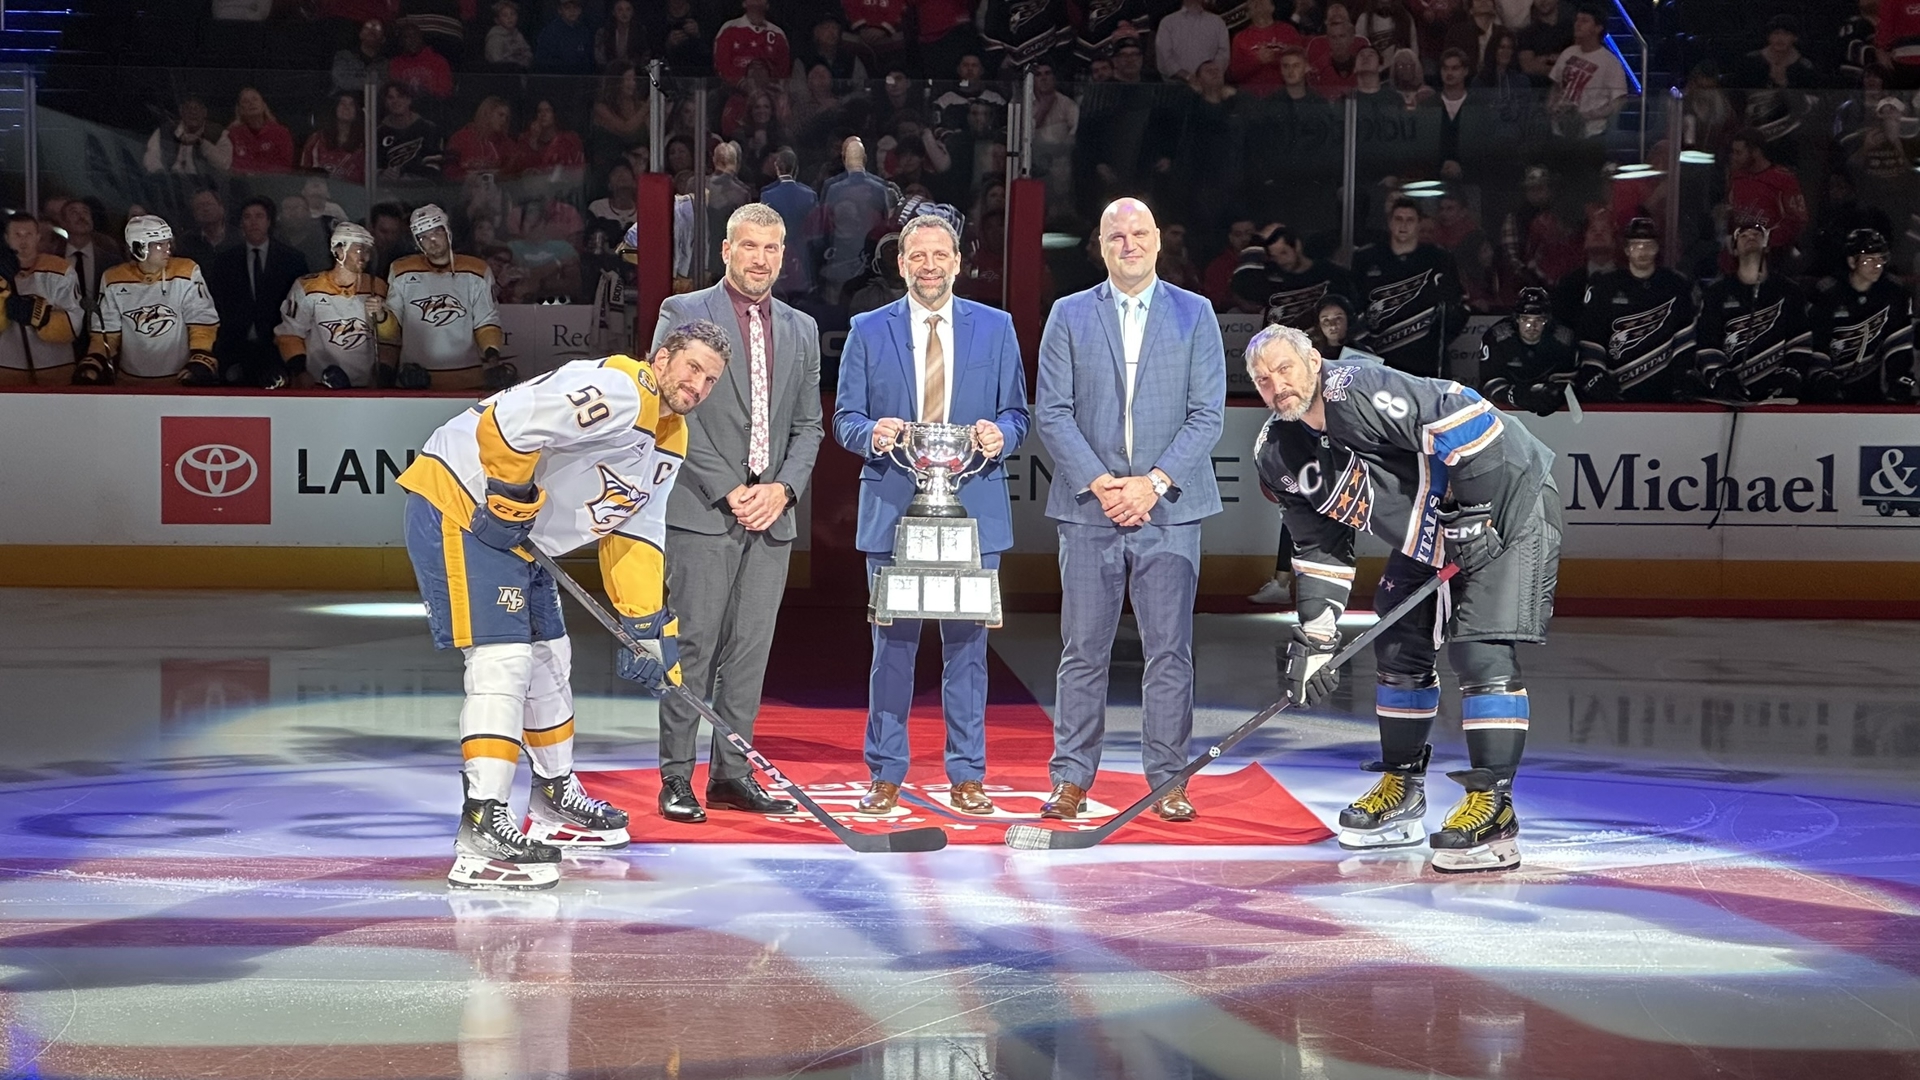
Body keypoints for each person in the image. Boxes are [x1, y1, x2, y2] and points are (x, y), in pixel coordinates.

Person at [396, 321, 732, 888]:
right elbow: (509, 424)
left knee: (551, 656)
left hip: (518, 539)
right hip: (464, 508)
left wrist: (644, 626)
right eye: (691, 368)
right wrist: (508, 495)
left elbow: (635, 531)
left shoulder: (671, 436)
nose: (698, 385)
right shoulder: (624, 390)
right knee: (503, 663)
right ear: (662, 355)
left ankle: (553, 799)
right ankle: (482, 823)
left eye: (711, 380)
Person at [1250, 322, 1559, 873]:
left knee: (1479, 649)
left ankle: (1496, 810)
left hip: (1509, 501)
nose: (1277, 386)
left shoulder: (1355, 389)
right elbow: (1320, 549)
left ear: (1314, 362)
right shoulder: (1278, 452)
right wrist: (1317, 639)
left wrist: (1475, 509)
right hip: (1435, 530)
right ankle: (1403, 789)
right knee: (1396, 645)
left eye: (1285, 369)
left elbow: (1469, 415)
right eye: (1263, 380)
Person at [1034, 197, 1226, 824]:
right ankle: (1070, 779)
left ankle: (1169, 779)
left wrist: (1154, 483)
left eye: (1139, 233)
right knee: (1081, 650)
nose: (1129, 244)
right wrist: (1101, 482)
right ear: (1100, 243)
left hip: (1169, 510)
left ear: (1158, 240)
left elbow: (1207, 415)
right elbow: (1052, 411)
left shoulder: (1195, 314)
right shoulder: (1067, 314)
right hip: (1090, 510)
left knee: (1169, 651)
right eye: (1116, 235)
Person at [831, 214, 1030, 815]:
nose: (929, 265)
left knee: (968, 649)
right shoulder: (868, 330)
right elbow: (843, 420)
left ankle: (967, 775)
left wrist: (1002, 435)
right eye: (917, 256)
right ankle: (886, 773)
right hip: (894, 509)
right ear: (901, 264)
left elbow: (1019, 414)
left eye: (939, 254)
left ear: (957, 261)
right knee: (891, 648)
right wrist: (874, 432)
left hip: (975, 512)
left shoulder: (997, 328)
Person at [648, 203, 824, 825]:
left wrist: (782, 491)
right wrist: (729, 489)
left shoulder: (802, 329)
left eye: (772, 249)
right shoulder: (684, 312)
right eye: (749, 246)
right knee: (693, 647)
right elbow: (670, 410)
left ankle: (732, 772)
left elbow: (809, 426)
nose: (760, 259)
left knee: (750, 650)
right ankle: (675, 776)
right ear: (726, 251)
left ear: (783, 255)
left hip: (773, 516)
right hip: (702, 511)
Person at [77, 216, 220, 387]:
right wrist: (95, 360)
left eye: (168, 243)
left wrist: (201, 356)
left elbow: (201, 320)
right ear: (138, 248)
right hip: (130, 384)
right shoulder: (113, 278)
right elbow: (106, 332)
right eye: (159, 245)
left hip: (179, 381)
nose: (167, 250)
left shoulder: (187, 270)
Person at [386, 205, 510, 392]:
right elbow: (391, 330)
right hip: (416, 382)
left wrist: (492, 358)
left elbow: (486, 322)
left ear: (447, 231)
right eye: (423, 237)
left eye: (436, 232)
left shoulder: (476, 270)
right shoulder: (401, 270)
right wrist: (390, 368)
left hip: (468, 381)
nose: (432, 240)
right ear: (417, 241)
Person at [1573, 216, 1697, 403]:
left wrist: (1683, 378)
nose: (1642, 251)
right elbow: (1592, 337)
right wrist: (1595, 375)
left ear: (1657, 248)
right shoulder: (1605, 286)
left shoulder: (1676, 285)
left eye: (1648, 245)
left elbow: (1684, 341)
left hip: (1664, 397)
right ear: (1626, 249)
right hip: (1617, 394)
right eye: (1636, 245)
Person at [1693, 215, 1811, 403]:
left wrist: (1790, 376)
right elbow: (1706, 341)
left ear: (1767, 245)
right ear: (1734, 248)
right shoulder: (1716, 293)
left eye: (1757, 234)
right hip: (1729, 402)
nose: (1751, 238)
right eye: (1743, 235)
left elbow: (1800, 340)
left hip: (1777, 402)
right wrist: (1721, 377)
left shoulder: (1789, 291)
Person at [275, 222, 400, 389]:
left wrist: (382, 374)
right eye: (358, 249)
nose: (364, 256)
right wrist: (300, 372)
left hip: (365, 388)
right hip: (321, 386)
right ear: (339, 250)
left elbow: (390, 339)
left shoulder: (377, 287)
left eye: (367, 250)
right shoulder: (308, 287)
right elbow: (289, 334)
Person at [1351, 198, 1466, 377]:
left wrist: (1436, 340)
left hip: (1426, 363)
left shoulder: (1439, 258)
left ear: (1419, 224)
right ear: (1390, 222)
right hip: (1379, 362)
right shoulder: (1366, 258)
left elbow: (1458, 305)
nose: (1403, 225)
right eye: (1398, 219)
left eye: (1410, 220)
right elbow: (1353, 306)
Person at [206, 198, 309, 387]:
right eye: (247, 217)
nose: (253, 222)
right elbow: (217, 305)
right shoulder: (224, 261)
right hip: (235, 349)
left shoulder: (292, 259)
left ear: (269, 222)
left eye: (259, 216)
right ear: (241, 224)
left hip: (277, 349)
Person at [1808, 229, 1916, 404]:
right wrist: (1823, 376)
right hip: (1829, 392)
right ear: (1852, 261)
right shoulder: (1828, 293)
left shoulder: (1893, 292)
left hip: (1871, 389)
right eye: (1869, 259)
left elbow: (1899, 344)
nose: (1877, 265)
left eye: (1881, 259)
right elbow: (1817, 342)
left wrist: (1899, 380)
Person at [0, 211, 85, 386]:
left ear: (38, 237)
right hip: (7, 372)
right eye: (17, 234)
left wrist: (39, 315)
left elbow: (75, 323)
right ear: (6, 238)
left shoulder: (60, 269)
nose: (23, 241)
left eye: (29, 234)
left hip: (56, 370)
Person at [1232, 222, 1358, 331]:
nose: (1281, 260)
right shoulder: (1268, 273)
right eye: (1275, 256)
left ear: (1296, 246)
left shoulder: (1331, 273)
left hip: (1319, 350)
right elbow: (1240, 287)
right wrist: (1258, 244)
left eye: (1284, 253)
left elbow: (1352, 314)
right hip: (1277, 349)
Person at [1478, 286, 1575, 414]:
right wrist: (1518, 397)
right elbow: (1489, 383)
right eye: (1525, 319)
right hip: (1504, 410)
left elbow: (1569, 381)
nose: (1531, 326)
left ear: (1547, 320)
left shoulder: (1564, 338)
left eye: (1539, 320)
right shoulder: (1496, 337)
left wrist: (1555, 394)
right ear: (1516, 319)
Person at [1726, 129, 1808, 263]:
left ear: (1756, 152)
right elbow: (1731, 213)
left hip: (1774, 258)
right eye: (1733, 152)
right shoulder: (1737, 177)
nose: (1734, 157)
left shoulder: (1783, 179)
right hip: (1741, 256)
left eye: (1739, 153)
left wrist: (1764, 241)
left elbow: (1798, 220)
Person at [1546, 6, 1624, 139]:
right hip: (1559, 129)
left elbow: (1619, 101)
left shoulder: (1610, 62)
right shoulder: (1568, 53)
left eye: (1584, 20)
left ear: (1598, 28)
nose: (1578, 24)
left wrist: (1590, 114)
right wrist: (1551, 107)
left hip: (1591, 133)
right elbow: (1556, 85)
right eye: (1577, 20)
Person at [143, 96, 234, 179]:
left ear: (204, 112)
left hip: (205, 185)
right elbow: (152, 156)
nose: (193, 112)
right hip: (171, 183)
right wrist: (160, 174)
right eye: (189, 108)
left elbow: (224, 164)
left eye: (197, 108)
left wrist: (202, 143)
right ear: (181, 111)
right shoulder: (165, 131)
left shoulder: (218, 133)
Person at [1231, 0, 1307, 91]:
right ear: (1248, 10)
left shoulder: (1288, 31)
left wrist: (1274, 59)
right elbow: (1235, 74)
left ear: (1272, 8)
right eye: (1252, 1)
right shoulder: (1240, 38)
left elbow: (1300, 63)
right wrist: (1257, 61)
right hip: (1251, 96)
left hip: (1285, 93)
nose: (1257, 2)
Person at [376, 82, 445, 180]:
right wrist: (382, 174)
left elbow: (434, 167)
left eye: (400, 96)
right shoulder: (379, 133)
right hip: (388, 190)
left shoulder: (429, 129)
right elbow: (373, 167)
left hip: (422, 189)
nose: (395, 101)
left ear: (409, 100)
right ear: (385, 102)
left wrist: (406, 175)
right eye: (390, 97)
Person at [714, 0, 793, 82]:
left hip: (770, 92)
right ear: (743, 3)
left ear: (767, 5)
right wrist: (743, 85)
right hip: (735, 92)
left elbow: (783, 71)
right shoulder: (728, 30)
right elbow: (722, 66)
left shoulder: (777, 33)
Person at [1159, 0, 1232, 83]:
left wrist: (1211, 74)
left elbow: (1223, 53)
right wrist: (1187, 76)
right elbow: (1164, 58)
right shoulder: (1167, 23)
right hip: (1176, 88)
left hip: (1210, 88)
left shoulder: (1217, 22)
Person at [225, 87, 295, 175]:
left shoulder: (281, 132)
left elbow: (284, 166)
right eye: (246, 101)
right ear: (241, 110)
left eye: (255, 99)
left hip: (273, 184)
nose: (251, 103)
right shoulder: (232, 135)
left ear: (263, 105)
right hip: (242, 185)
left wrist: (256, 172)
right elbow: (228, 164)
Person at [300, 93, 367, 183]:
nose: (347, 107)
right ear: (334, 108)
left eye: (351, 104)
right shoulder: (317, 139)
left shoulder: (364, 142)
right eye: (342, 103)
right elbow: (305, 171)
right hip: (321, 192)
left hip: (353, 193)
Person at [176, 189, 240, 268]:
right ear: (194, 213)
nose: (205, 209)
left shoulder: (239, 238)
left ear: (221, 208)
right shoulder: (186, 242)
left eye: (209, 204)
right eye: (199, 206)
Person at [534, 0, 596, 74]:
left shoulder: (585, 31)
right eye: (567, 8)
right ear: (560, 10)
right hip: (557, 78)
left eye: (575, 8)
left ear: (580, 11)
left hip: (581, 78)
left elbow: (589, 59)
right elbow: (543, 60)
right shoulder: (550, 32)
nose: (572, 11)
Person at [331, 18, 390, 95]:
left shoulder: (385, 63)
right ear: (360, 34)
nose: (371, 30)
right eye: (367, 27)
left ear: (383, 39)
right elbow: (341, 81)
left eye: (377, 28)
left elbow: (385, 87)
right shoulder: (344, 56)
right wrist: (369, 83)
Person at [484, 1, 533, 69]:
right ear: (497, 20)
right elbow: (496, 61)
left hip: (520, 72)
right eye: (505, 15)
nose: (509, 18)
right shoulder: (495, 38)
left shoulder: (518, 35)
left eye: (512, 14)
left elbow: (528, 54)